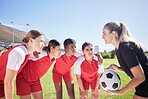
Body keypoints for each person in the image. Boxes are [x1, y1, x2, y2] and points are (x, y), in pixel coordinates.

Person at [102, 22, 148, 99]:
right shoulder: (118, 48)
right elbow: (135, 68)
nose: (102, 37)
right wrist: (118, 68)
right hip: (142, 85)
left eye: (104, 33)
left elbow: (140, 77)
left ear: (113, 34)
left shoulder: (125, 47)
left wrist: (120, 92)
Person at [0, 30, 45, 99]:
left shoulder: (26, 52)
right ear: (31, 40)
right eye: (41, 41)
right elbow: (8, 82)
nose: (43, 44)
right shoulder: (19, 53)